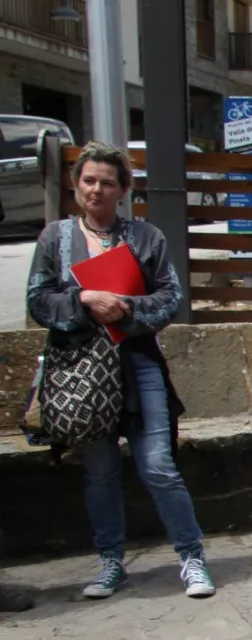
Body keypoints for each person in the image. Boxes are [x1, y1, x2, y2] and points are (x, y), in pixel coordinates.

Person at [26, 142, 216, 600]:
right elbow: (38, 300)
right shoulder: (55, 238)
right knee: (100, 470)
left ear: (123, 190)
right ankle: (111, 562)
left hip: (137, 365)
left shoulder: (146, 238)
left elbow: (170, 298)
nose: (97, 189)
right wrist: (84, 300)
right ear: (76, 186)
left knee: (157, 465)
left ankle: (191, 557)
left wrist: (124, 307)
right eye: (89, 180)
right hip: (80, 370)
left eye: (107, 182)